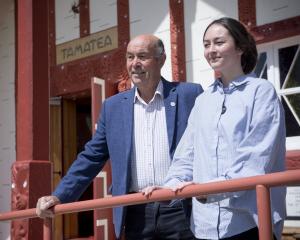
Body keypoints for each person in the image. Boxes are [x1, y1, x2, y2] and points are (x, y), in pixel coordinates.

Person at [36, 34, 203, 239]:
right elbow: (91, 156)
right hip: (135, 211)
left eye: (142, 56)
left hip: (182, 207)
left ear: (161, 60)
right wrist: (59, 196)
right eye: (130, 57)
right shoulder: (113, 107)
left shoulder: (190, 94)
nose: (135, 64)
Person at [143, 17, 286, 240]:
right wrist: (168, 189)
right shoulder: (203, 100)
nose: (211, 50)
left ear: (240, 47)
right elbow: (186, 155)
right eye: (206, 44)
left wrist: (208, 191)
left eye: (219, 42)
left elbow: (255, 159)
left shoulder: (261, 92)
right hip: (204, 225)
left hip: (248, 221)